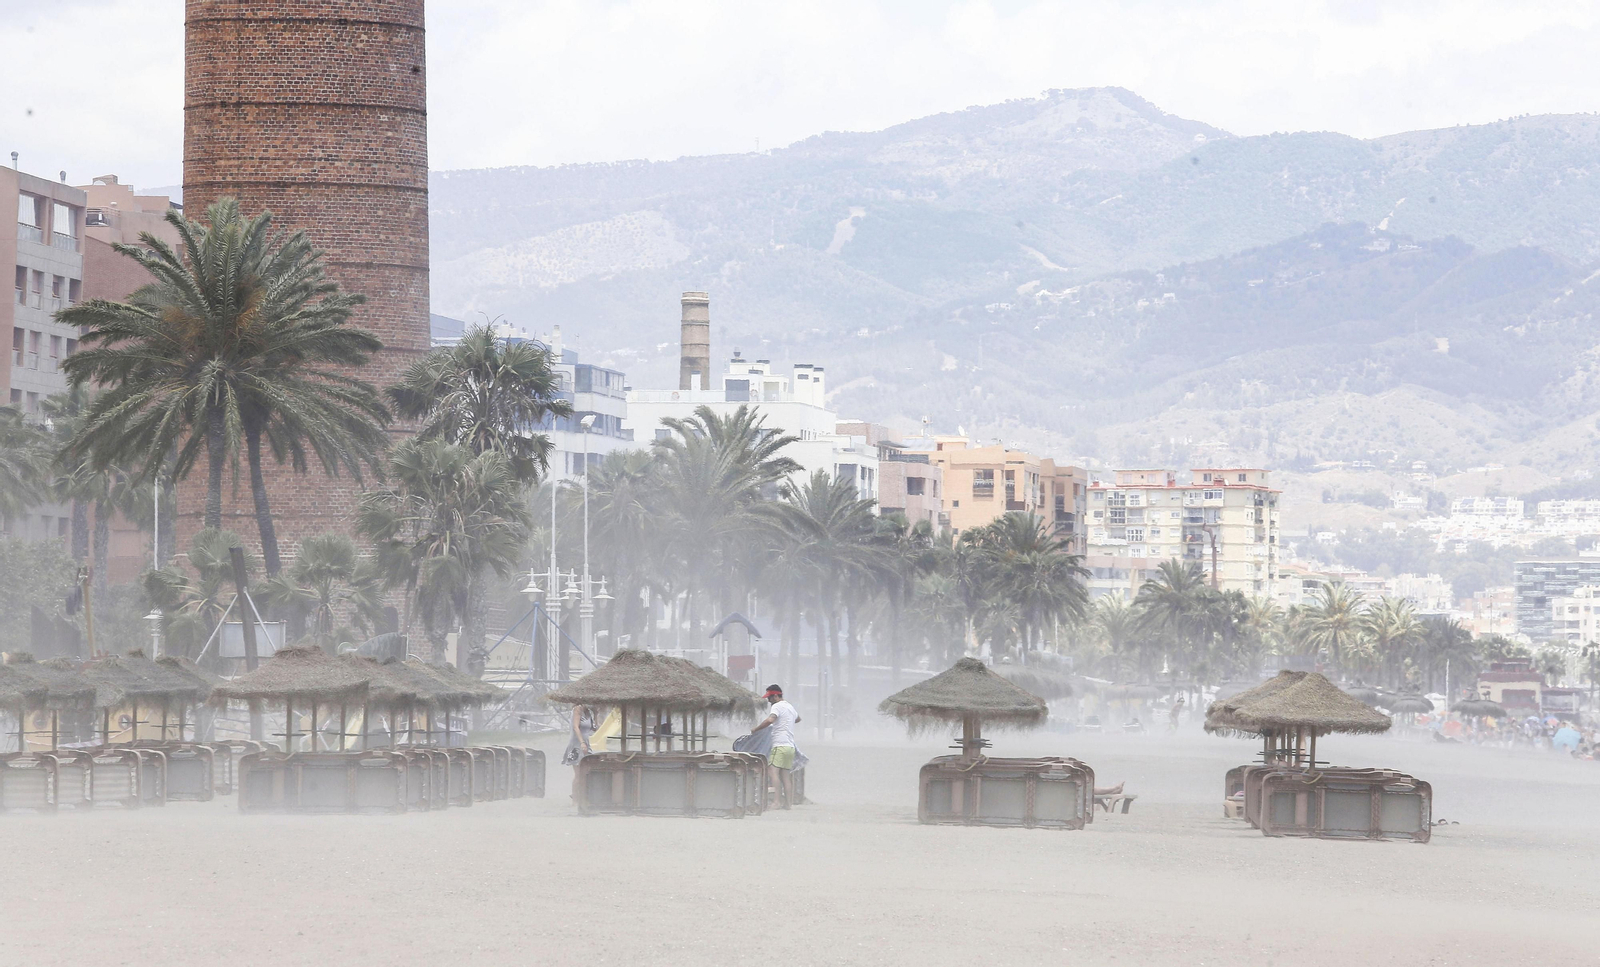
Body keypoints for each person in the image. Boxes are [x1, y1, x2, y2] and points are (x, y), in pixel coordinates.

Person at [750, 684, 801, 809]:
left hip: (780, 744)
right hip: (790, 746)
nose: (768, 701)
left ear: (776, 696)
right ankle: (788, 804)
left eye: (770, 698)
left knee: (773, 771)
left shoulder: (777, 706)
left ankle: (777, 801)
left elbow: (770, 720)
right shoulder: (790, 707)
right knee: (785, 775)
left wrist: (756, 729)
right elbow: (798, 719)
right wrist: (786, 722)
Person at [563, 704, 597, 801]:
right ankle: (575, 798)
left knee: (586, 771)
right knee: (578, 773)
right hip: (576, 744)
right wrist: (581, 742)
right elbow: (575, 727)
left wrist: (596, 714)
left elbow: (594, 728)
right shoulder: (578, 709)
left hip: (586, 743)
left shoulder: (588, 712)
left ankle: (580, 795)